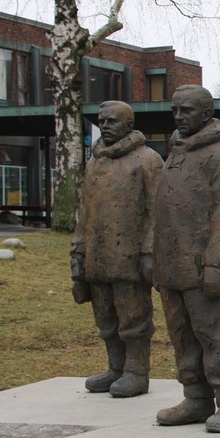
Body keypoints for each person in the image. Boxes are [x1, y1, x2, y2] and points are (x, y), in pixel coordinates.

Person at [153, 84, 220, 433]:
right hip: (171, 263)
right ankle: (195, 397)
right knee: (181, 334)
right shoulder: (176, 152)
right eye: (175, 110)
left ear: (206, 114)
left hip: (204, 265)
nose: (179, 117)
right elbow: (162, 210)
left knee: (215, 333)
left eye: (187, 111)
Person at [71, 101, 163, 398]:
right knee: (105, 317)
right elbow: (84, 210)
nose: (105, 125)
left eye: (111, 121)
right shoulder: (94, 161)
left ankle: (137, 372)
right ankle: (116, 367)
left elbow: (156, 211)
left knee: (133, 317)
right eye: (101, 121)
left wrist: (149, 252)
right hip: (98, 254)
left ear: (128, 124)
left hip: (130, 256)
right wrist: (78, 250)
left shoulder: (148, 160)